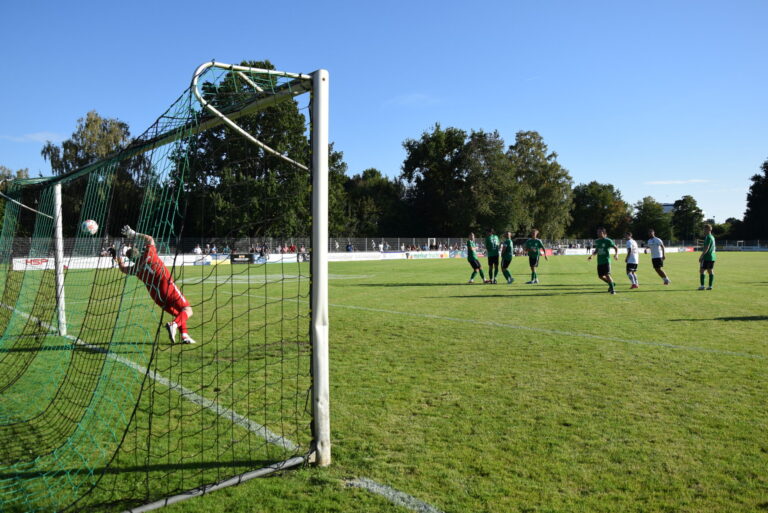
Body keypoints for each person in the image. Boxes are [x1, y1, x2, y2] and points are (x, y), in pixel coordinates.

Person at [116, 225, 195, 344]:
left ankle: (184, 336)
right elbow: (150, 239)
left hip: (156, 296)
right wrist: (133, 234)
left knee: (179, 313)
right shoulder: (149, 253)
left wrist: (117, 254)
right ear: (137, 252)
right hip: (167, 287)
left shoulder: (135, 269)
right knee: (188, 310)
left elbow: (122, 268)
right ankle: (173, 325)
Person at [588, 227, 619, 294]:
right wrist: (592, 256)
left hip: (606, 261)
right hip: (599, 262)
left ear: (603, 233)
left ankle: (613, 290)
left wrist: (616, 255)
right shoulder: (597, 241)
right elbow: (596, 250)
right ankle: (612, 284)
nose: (598, 233)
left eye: (599, 232)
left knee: (607, 275)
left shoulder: (608, 240)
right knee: (600, 276)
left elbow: (616, 248)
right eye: (597, 232)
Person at [698, 224, 717, 290]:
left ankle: (702, 286)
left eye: (704, 229)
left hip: (707, 256)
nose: (704, 230)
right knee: (710, 271)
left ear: (708, 229)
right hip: (713, 256)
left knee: (702, 270)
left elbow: (707, 247)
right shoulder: (712, 237)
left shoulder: (708, 237)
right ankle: (710, 286)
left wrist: (701, 256)